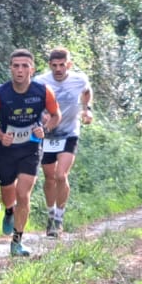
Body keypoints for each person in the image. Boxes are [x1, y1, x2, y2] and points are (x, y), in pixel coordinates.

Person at [0, 49, 59, 258]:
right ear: (10, 69)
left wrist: (45, 130)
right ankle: (8, 211)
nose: (20, 70)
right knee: (8, 193)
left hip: (31, 148)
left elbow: (55, 116)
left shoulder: (43, 92)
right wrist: (0, 134)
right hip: (5, 149)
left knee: (23, 195)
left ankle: (17, 242)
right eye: (16, 66)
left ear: (32, 70)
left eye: (25, 66)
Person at [34, 47, 93, 236]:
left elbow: (87, 91)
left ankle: (59, 218)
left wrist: (87, 109)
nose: (58, 69)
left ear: (69, 64)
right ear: (49, 65)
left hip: (69, 132)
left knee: (61, 175)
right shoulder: (41, 81)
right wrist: (40, 116)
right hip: (47, 134)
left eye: (62, 65)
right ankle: (50, 215)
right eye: (54, 66)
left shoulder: (79, 79)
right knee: (49, 178)